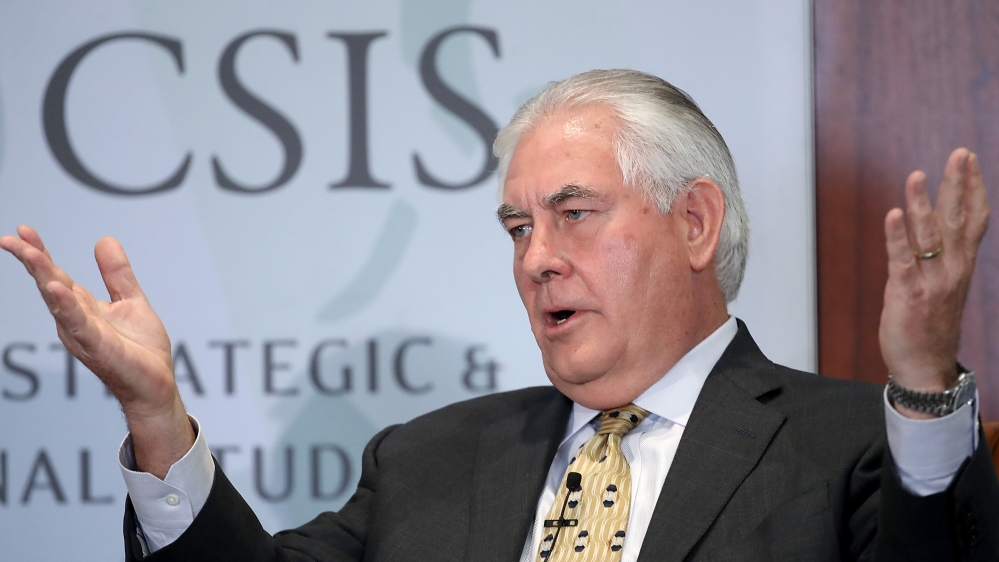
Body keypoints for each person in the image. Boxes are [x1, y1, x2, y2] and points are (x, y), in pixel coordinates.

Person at [2, 69, 997, 561]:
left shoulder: (847, 447)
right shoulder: (427, 460)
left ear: (694, 222)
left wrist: (919, 387)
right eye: (518, 226)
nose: (535, 258)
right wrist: (157, 419)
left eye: (573, 214)